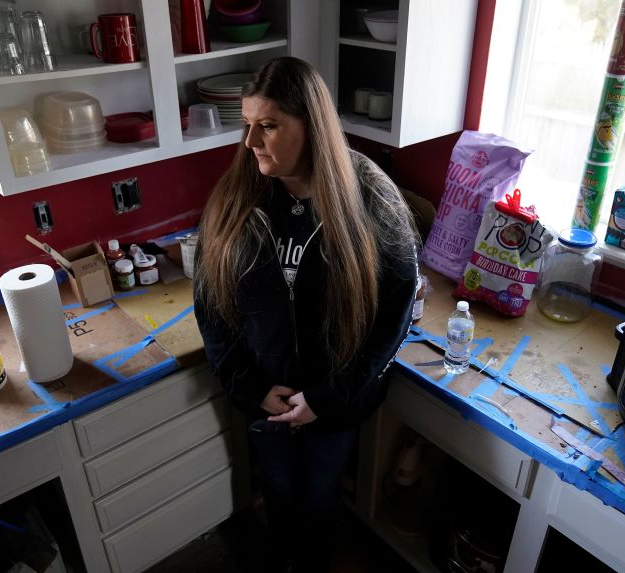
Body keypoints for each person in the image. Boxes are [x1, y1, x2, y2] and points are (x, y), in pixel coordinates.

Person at [194, 56, 418, 573]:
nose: (251, 142)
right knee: (277, 490)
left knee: (319, 497)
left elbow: (395, 313)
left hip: (332, 401)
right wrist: (249, 386)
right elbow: (207, 300)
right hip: (266, 396)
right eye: (247, 124)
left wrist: (328, 397)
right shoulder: (238, 195)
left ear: (312, 126)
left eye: (268, 126)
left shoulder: (371, 197)